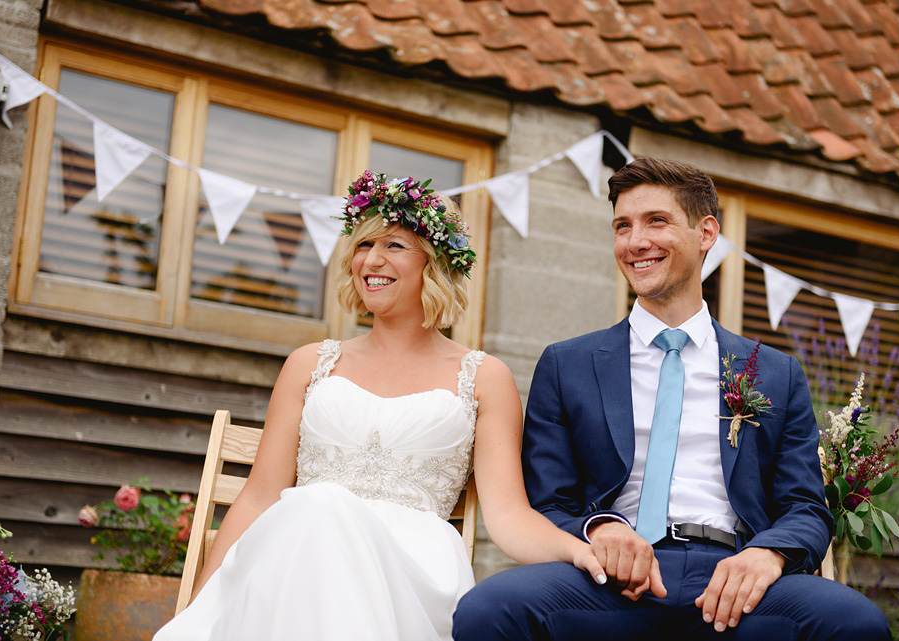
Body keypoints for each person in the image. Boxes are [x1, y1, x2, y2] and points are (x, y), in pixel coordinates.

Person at [154, 171, 605, 641]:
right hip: (293, 553)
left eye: (393, 245)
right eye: (363, 245)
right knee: (318, 505)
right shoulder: (309, 363)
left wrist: (577, 548)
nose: (371, 259)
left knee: (320, 506)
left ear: (435, 263)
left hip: (409, 574)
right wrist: (196, 607)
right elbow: (261, 496)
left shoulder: (484, 377)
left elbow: (508, 516)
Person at [453, 158, 891, 640]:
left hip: (734, 580)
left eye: (656, 221)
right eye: (623, 226)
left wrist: (766, 555)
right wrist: (599, 530)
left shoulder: (775, 372)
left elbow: (806, 508)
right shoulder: (566, 364)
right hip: (607, 582)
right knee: (487, 610)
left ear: (706, 233)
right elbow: (547, 500)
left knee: (857, 623)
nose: (635, 241)